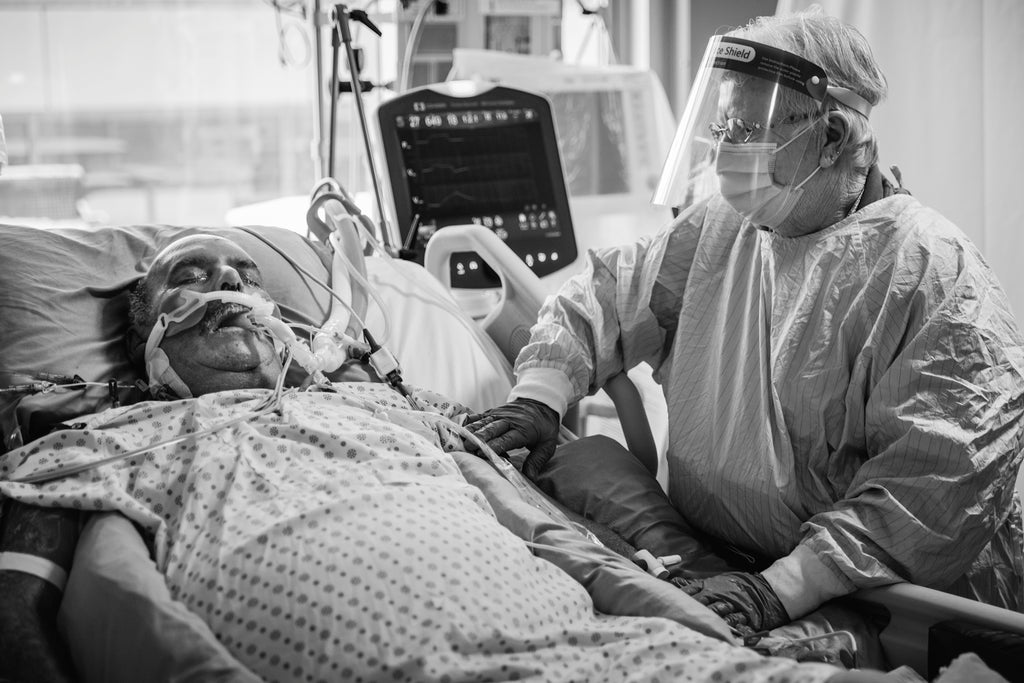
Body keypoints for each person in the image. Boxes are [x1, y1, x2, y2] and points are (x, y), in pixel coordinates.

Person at [0, 234, 895, 683]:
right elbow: (29, 616)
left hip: (593, 653)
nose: (227, 289)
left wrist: (698, 612)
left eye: (242, 276)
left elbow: (550, 529)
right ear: (146, 334)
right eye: (187, 278)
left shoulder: (395, 407)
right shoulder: (102, 441)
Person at [466, 7, 1024, 636]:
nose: (726, 147)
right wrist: (540, 396)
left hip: (882, 603)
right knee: (581, 462)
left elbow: (935, 482)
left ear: (834, 137)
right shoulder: (723, 228)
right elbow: (606, 297)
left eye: (749, 127)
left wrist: (781, 588)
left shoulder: (929, 271)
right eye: (723, 123)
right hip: (720, 553)